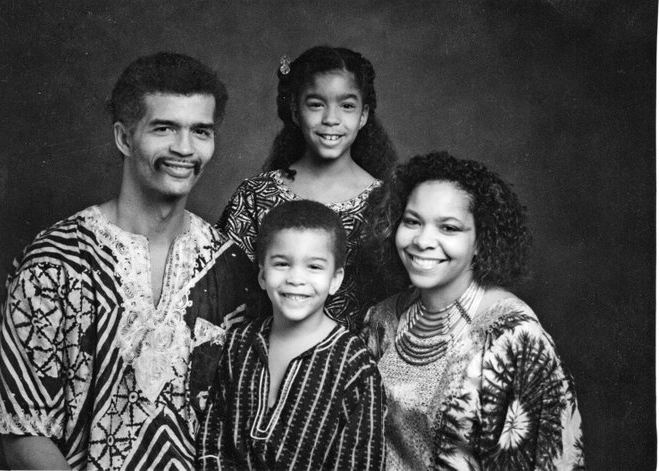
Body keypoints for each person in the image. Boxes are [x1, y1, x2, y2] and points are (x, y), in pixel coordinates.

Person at [0, 52, 260, 470]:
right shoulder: (52, 263)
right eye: (164, 128)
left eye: (200, 131)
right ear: (123, 138)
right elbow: (25, 438)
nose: (185, 149)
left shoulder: (233, 266)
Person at [361, 152, 584, 470]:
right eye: (412, 222)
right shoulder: (381, 320)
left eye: (449, 228)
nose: (423, 240)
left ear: (481, 240)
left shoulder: (514, 336)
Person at [217, 45, 397, 332]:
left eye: (347, 105)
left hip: (359, 364)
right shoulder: (254, 196)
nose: (331, 119)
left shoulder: (387, 201)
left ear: (364, 115)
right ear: (295, 111)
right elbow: (226, 294)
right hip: (267, 362)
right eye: (316, 104)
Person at [198, 200, 386, 470]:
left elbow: (359, 463)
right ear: (262, 275)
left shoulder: (355, 366)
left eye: (314, 267)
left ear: (335, 279)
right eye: (282, 263)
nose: (296, 278)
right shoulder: (239, 343)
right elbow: (212, 439)